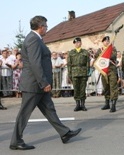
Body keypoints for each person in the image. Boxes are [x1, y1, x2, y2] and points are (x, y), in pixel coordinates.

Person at [9, 15, 81, 150]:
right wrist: (44, 82)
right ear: (41, 27)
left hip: (38, 85)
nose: (47, 28)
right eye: (46, 26)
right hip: (34, 84)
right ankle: (15, 141)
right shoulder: (33, 39)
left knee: (49, 109)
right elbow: (35, 64)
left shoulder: (36, 39)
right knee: (24, 113)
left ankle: (64, 133)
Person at [93, 36, 119, 112]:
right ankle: (107, 103)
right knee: (106, 87)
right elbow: (96, 58)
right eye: (105, 41)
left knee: (113, 87)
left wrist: (107, 53)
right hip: (104, 71)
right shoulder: (99, 50)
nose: (106, 42)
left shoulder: (112, 48)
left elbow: (114, 56)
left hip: (112, 70)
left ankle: (113, 104)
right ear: (103, 42)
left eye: (108, 41)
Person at [67, 37, 90, 111]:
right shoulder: (71, 53)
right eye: (76, 43)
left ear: (81, 43)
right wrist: (69, 74)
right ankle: (77, 104)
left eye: (79, 42)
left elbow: (88, 63)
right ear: (74, 44)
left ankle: (83, 104)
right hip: (74, 73)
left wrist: (87, 72)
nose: (77, 44)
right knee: (76, 89)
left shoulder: (85, 52)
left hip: (83, 72)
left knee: (83, 89)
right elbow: (69, 64)